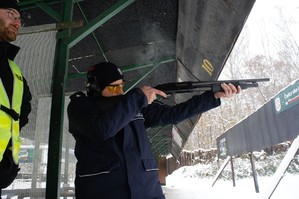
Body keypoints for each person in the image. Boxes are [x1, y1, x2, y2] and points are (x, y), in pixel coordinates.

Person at [67, 62, 241, 199]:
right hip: (104, 193)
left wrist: (213, 97)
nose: (120, 91)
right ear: (96, 87)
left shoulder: (131, 104)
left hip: (147, 191)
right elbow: (102, 129)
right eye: (114, 87)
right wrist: (137, 98)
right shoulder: (80, 107)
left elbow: (174, 114)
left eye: (122, 85)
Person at [0, 1, 32, 197]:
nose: (17, 23)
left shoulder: (13, 68)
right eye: (11, 14)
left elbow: (23, 110)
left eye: (19, 19)